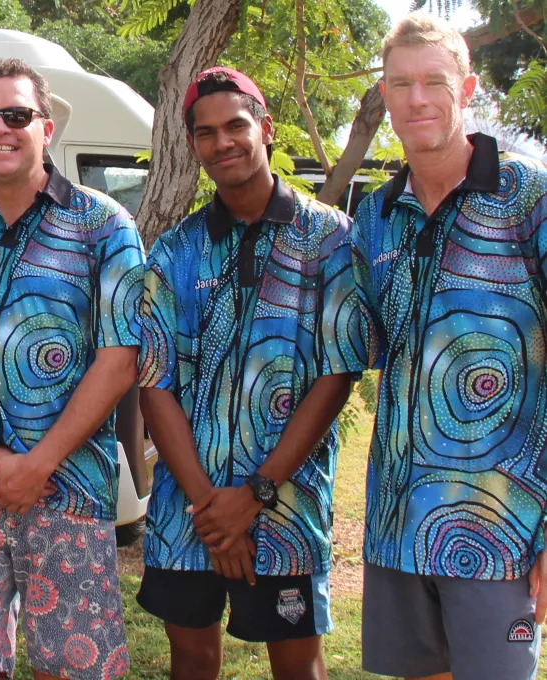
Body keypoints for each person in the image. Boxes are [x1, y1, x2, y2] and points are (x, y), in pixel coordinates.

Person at [133, 66, 379, 680]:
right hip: (186, 510)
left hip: (287, 505)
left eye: (236, 126)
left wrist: (255, 495)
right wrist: (210, 509)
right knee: (190, 657)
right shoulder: (174, 251)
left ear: (265, 129)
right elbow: (155, 383)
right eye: (207, 132)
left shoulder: (330, 240)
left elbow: (336, 375)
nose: (224, 142)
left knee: (297, 664)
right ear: (193, 144)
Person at [0, 58, 143, 680]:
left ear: (47, 129)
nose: (0, 128)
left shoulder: (104, 224)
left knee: (78, 670)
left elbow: (119, 359)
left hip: (72, 490)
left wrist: (37, 465)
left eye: (17, 114)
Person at [354, 12, 547, 680]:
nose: (415, 99)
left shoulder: (529, 199)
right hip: (397, 528)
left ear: (467, 90)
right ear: (383, 96)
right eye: (399, 84)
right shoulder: (375, 218)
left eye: (432, 81)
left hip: (501, 533)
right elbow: (372, 349)